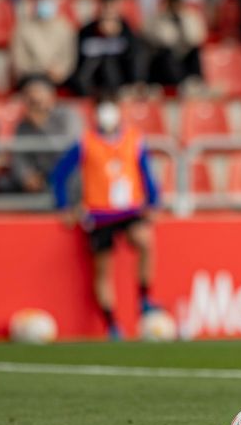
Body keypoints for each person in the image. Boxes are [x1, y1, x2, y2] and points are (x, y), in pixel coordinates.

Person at [50, 97, 160, 340]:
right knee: (103, 270)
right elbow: (59, 175)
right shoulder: (86, 143)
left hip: (129, 210)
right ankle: (111, 324)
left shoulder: (134, 139)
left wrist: (153, 201)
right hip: (99, 214)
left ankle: (144, 298)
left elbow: (147, 172)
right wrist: (64, 206)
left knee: (145, 241)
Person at [11, 76, 81, 193]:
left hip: (66, 172)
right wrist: (27, 176)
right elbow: (19, 157)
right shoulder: (23, 126)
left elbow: (70, 147)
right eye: (29, 97)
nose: (33, 100)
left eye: (38, 97)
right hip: (40, 174)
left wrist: (42, 126)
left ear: (51, 96)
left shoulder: (67, 115)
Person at [69, 0, 146, 97]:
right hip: (93, 80)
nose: (109, 10)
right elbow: (79, 59)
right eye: (106, 5)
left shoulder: (126, 30)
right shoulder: (87, 30)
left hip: (118, 80)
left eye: (112, 6)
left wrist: (117, 34)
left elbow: (135, 54)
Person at [11, 0, 77, 87]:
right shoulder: (23, 28)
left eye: (49, 1)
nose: (46, 5)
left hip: (60, 74)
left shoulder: (65, 28)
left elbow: (69, 56)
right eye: (42, 1)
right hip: (33, 75)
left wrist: (61, 70)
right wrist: (43, 70)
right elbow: (20, 60)